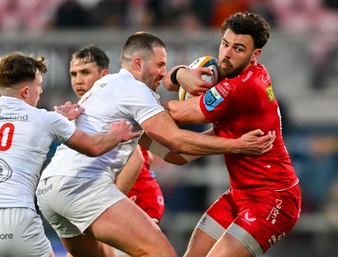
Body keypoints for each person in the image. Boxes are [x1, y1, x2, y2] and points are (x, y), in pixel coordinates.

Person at [36, 31, 275, 257]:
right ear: (138, 64)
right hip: (82, 187)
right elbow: (177, 141)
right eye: (160, 65)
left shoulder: (104, 87)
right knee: (161, 253)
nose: (163, 73)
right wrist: (237, 145)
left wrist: (219, 134)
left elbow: (171, 154)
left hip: (49, 192)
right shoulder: (136, 91)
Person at [0, 51, 140, 257]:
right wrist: (116, 135)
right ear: (25, 92)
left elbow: (17, 129)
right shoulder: (44, 119)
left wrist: (60, 119)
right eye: (38, 86)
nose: (40, 92)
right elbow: (93, 147)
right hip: (16, 220)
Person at [162, 12, 302, 257]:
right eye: (225, 44)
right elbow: (169, 83)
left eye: (238, 49)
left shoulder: (242, 87)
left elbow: (178, 113)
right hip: (240, 193)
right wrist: (180, 73)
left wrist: (132, 103)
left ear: (255, 55)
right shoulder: (229, 70)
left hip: (273, 198)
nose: (226, 54)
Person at [66, 45, 165, 257]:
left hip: (136, 198)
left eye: (85, 73)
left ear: (103, 75)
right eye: (74, 74)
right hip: (113, 201)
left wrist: (105, 205)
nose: (78, 80)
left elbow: (136, 160)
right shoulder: (87, 110)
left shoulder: (113, 104)